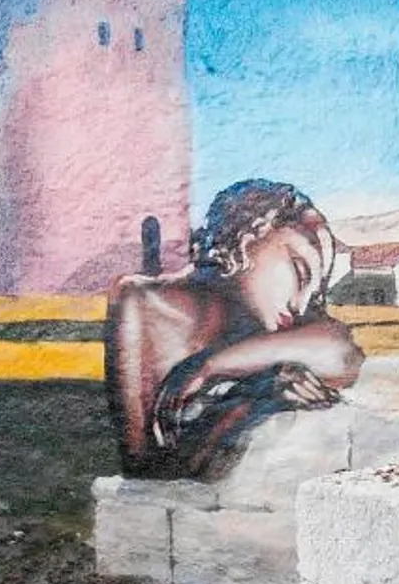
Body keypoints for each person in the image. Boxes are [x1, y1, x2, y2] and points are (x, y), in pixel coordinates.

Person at [105, 179, 364, 480]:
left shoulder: (271, 323)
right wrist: (247, 396)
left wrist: (213, 369)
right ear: (249, 237)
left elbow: (343, 353)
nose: (301, 304)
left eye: (315, 292)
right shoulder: (144, 301)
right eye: (300, 271)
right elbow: (146, 467)